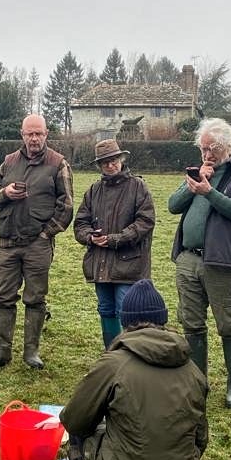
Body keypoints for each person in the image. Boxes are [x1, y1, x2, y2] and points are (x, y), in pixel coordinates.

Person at [60, 279, 208, 460]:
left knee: (82, 437)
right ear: (163, 321)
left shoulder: (114, 363)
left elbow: (74, 420)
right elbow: (201, 441)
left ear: (125, 322)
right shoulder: (193, 370)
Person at [168, 118, 231, 408]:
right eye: (203, 149)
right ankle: (197, 382)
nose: (207, 155)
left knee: (229, 324)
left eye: (213, 149)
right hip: (187, 258)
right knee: (191, 322)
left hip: (221, 262)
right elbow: (172, 206)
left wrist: (210, 192)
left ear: (229, 148)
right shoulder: (198, 172)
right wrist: (191, 187)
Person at [0, 115, 73, 371]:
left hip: (37, 243)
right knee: (3, 296)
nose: (34, 139)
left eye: (38, 134)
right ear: (22, 134)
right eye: (29, 134)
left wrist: (46, 234)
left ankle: (32, 351)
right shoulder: (9, 162)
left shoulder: (58, 164)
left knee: (35, 297)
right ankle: (1, 351)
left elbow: (66, 207)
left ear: (46, 134)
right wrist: (6, 193)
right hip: (8, 240)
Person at [73, 140, 156, 350]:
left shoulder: (138, 186)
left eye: (114, 160)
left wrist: (116, 239)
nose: (111, 165)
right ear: (99, 165)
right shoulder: (94, 190)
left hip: (129, 264)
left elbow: (145, 222)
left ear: (121, 160)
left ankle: (130, 356)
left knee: (126, 311)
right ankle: (111, 354)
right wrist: (90, 237)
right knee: (106, 309)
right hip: (100, 263)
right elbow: (80, 223)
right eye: (105, 162)